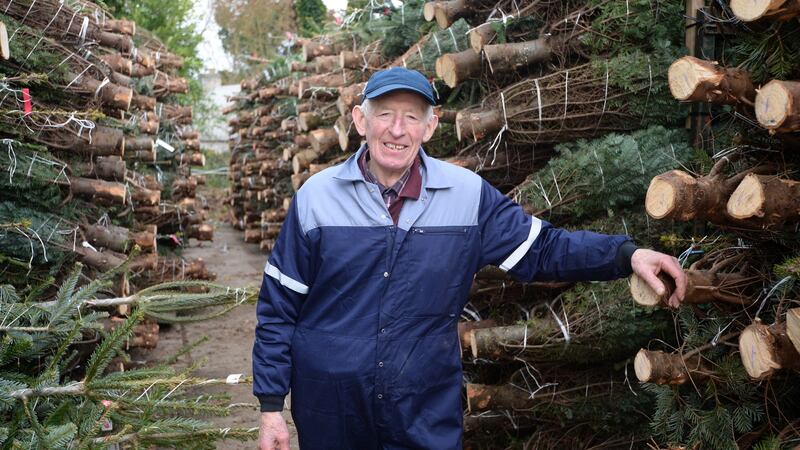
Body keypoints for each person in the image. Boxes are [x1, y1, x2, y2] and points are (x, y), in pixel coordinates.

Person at [253, 67, 687, 450]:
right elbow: (278, 308)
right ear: (360, 120)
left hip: (421, 406)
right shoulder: (316, 198)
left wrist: (626, 255)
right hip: (332, 408)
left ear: (430, 126)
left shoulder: (467, 196)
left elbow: (543, 249)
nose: (397, 130)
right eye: (384, 114)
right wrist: (271, 407)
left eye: (411, 117)